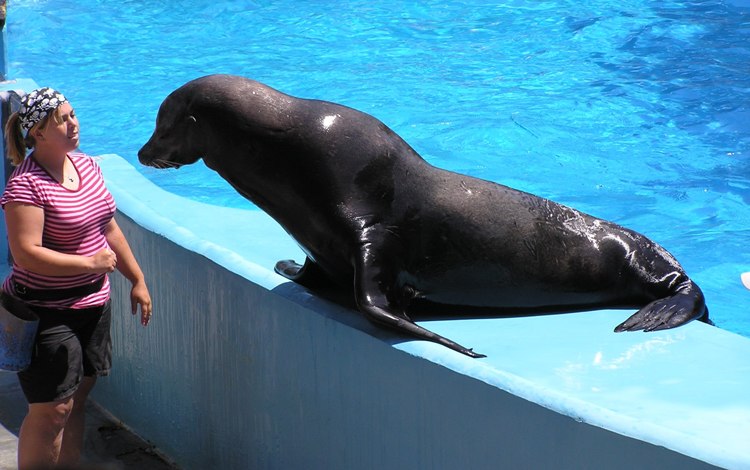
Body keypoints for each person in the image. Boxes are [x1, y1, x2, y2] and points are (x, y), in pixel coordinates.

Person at [1, 87, 152, 469]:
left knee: (77, 400)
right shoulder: (26, 185)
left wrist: (136, 278)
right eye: (63, 120)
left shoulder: (86, 166)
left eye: (73, 115)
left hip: (93, 306)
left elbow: (109, 228)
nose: (74, 124)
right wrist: (89, 264)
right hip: (45, 313)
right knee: (52, 410)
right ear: (37, 132)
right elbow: (26, 254)